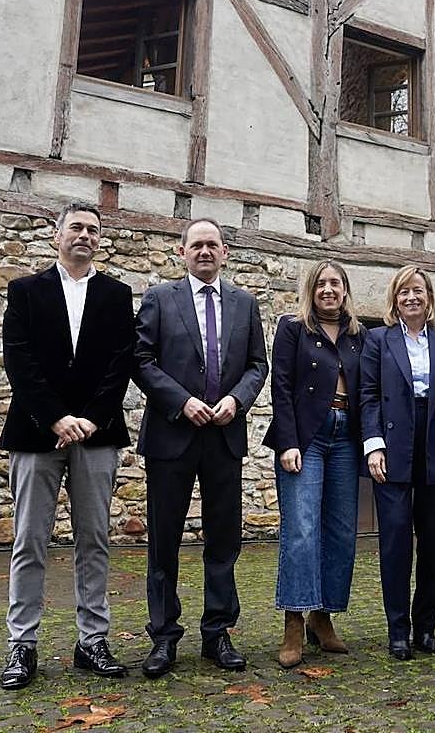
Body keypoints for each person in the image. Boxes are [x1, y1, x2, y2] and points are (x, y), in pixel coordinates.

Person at [0, 202, 135, 689]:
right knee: (29, 540)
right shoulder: (26, 291)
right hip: (36, 433)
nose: (86, 235)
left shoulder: (117, 294)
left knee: (94, 540)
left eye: (93, 230)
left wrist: (91, 420)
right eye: (76, 227)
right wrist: (55, 416)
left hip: (97, 436)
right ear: (57, 236)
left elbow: (121, 364)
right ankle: (22, 644)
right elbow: (19, 360)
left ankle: (92, 640)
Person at [134, 218, 268, 677]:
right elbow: (142, 361)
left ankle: (217, 633)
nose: (205, 251)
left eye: (213, 245)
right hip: (172, 435)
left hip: (224, 437)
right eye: (197, 245)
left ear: (225, 252)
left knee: (223, 540)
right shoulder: (159, 299)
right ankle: (164, 637)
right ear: (183, 252)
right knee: (164, 541)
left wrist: (237, 400)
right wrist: (182, 401)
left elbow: (257, 365)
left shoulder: (245, 304)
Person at [360, 266, 435, 661]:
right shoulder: (378, 341)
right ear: (395, 299)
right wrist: (374, 445)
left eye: (418, 291)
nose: (411, 298)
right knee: (395, 541)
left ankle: (425, 628)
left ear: (428, 298)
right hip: (394, 442)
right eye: (404, 291)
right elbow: (368, 394)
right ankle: (397, 630)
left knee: (433, 543)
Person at [263, 260, 366, 668]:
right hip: (307, 436)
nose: (328, 289)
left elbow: (369, 390)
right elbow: (281, 386)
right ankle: (293, 619)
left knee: (341, 530)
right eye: (321, 283)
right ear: (312, 289)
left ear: (345, 290)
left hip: (347, 437)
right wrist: (288, 441)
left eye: (335, 283)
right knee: (302, 527)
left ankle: (322, 618)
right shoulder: (294, 328)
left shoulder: (360, 335)